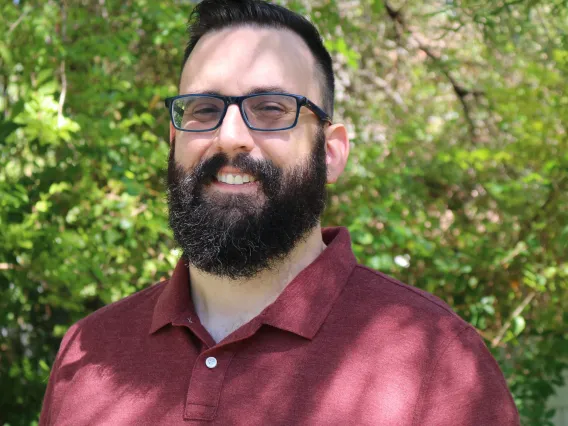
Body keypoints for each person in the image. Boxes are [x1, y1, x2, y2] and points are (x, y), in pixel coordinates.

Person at [40, 1, 520, 424]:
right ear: (173, 141)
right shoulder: (88, 349)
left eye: (271, 108)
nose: (229, 136)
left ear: (330, 153)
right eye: (203, 109)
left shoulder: (438, 363)